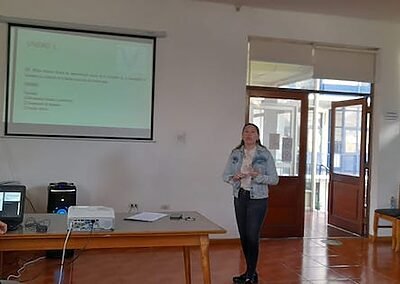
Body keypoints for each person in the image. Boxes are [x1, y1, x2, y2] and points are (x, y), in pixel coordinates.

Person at [223, 123, 279, 284]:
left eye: (252, 132)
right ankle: (250, 273)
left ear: (257, 136)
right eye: (246, 132)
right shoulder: (236, 153)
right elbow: (225, 175)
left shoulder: (264, 154)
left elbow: (274, 179)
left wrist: (258, 176)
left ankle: (250, 275)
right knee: (244, 237)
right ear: (242, 135)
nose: (249, 134)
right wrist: (234, 177)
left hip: (258, 199)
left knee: (252, 236)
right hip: (240, 196)